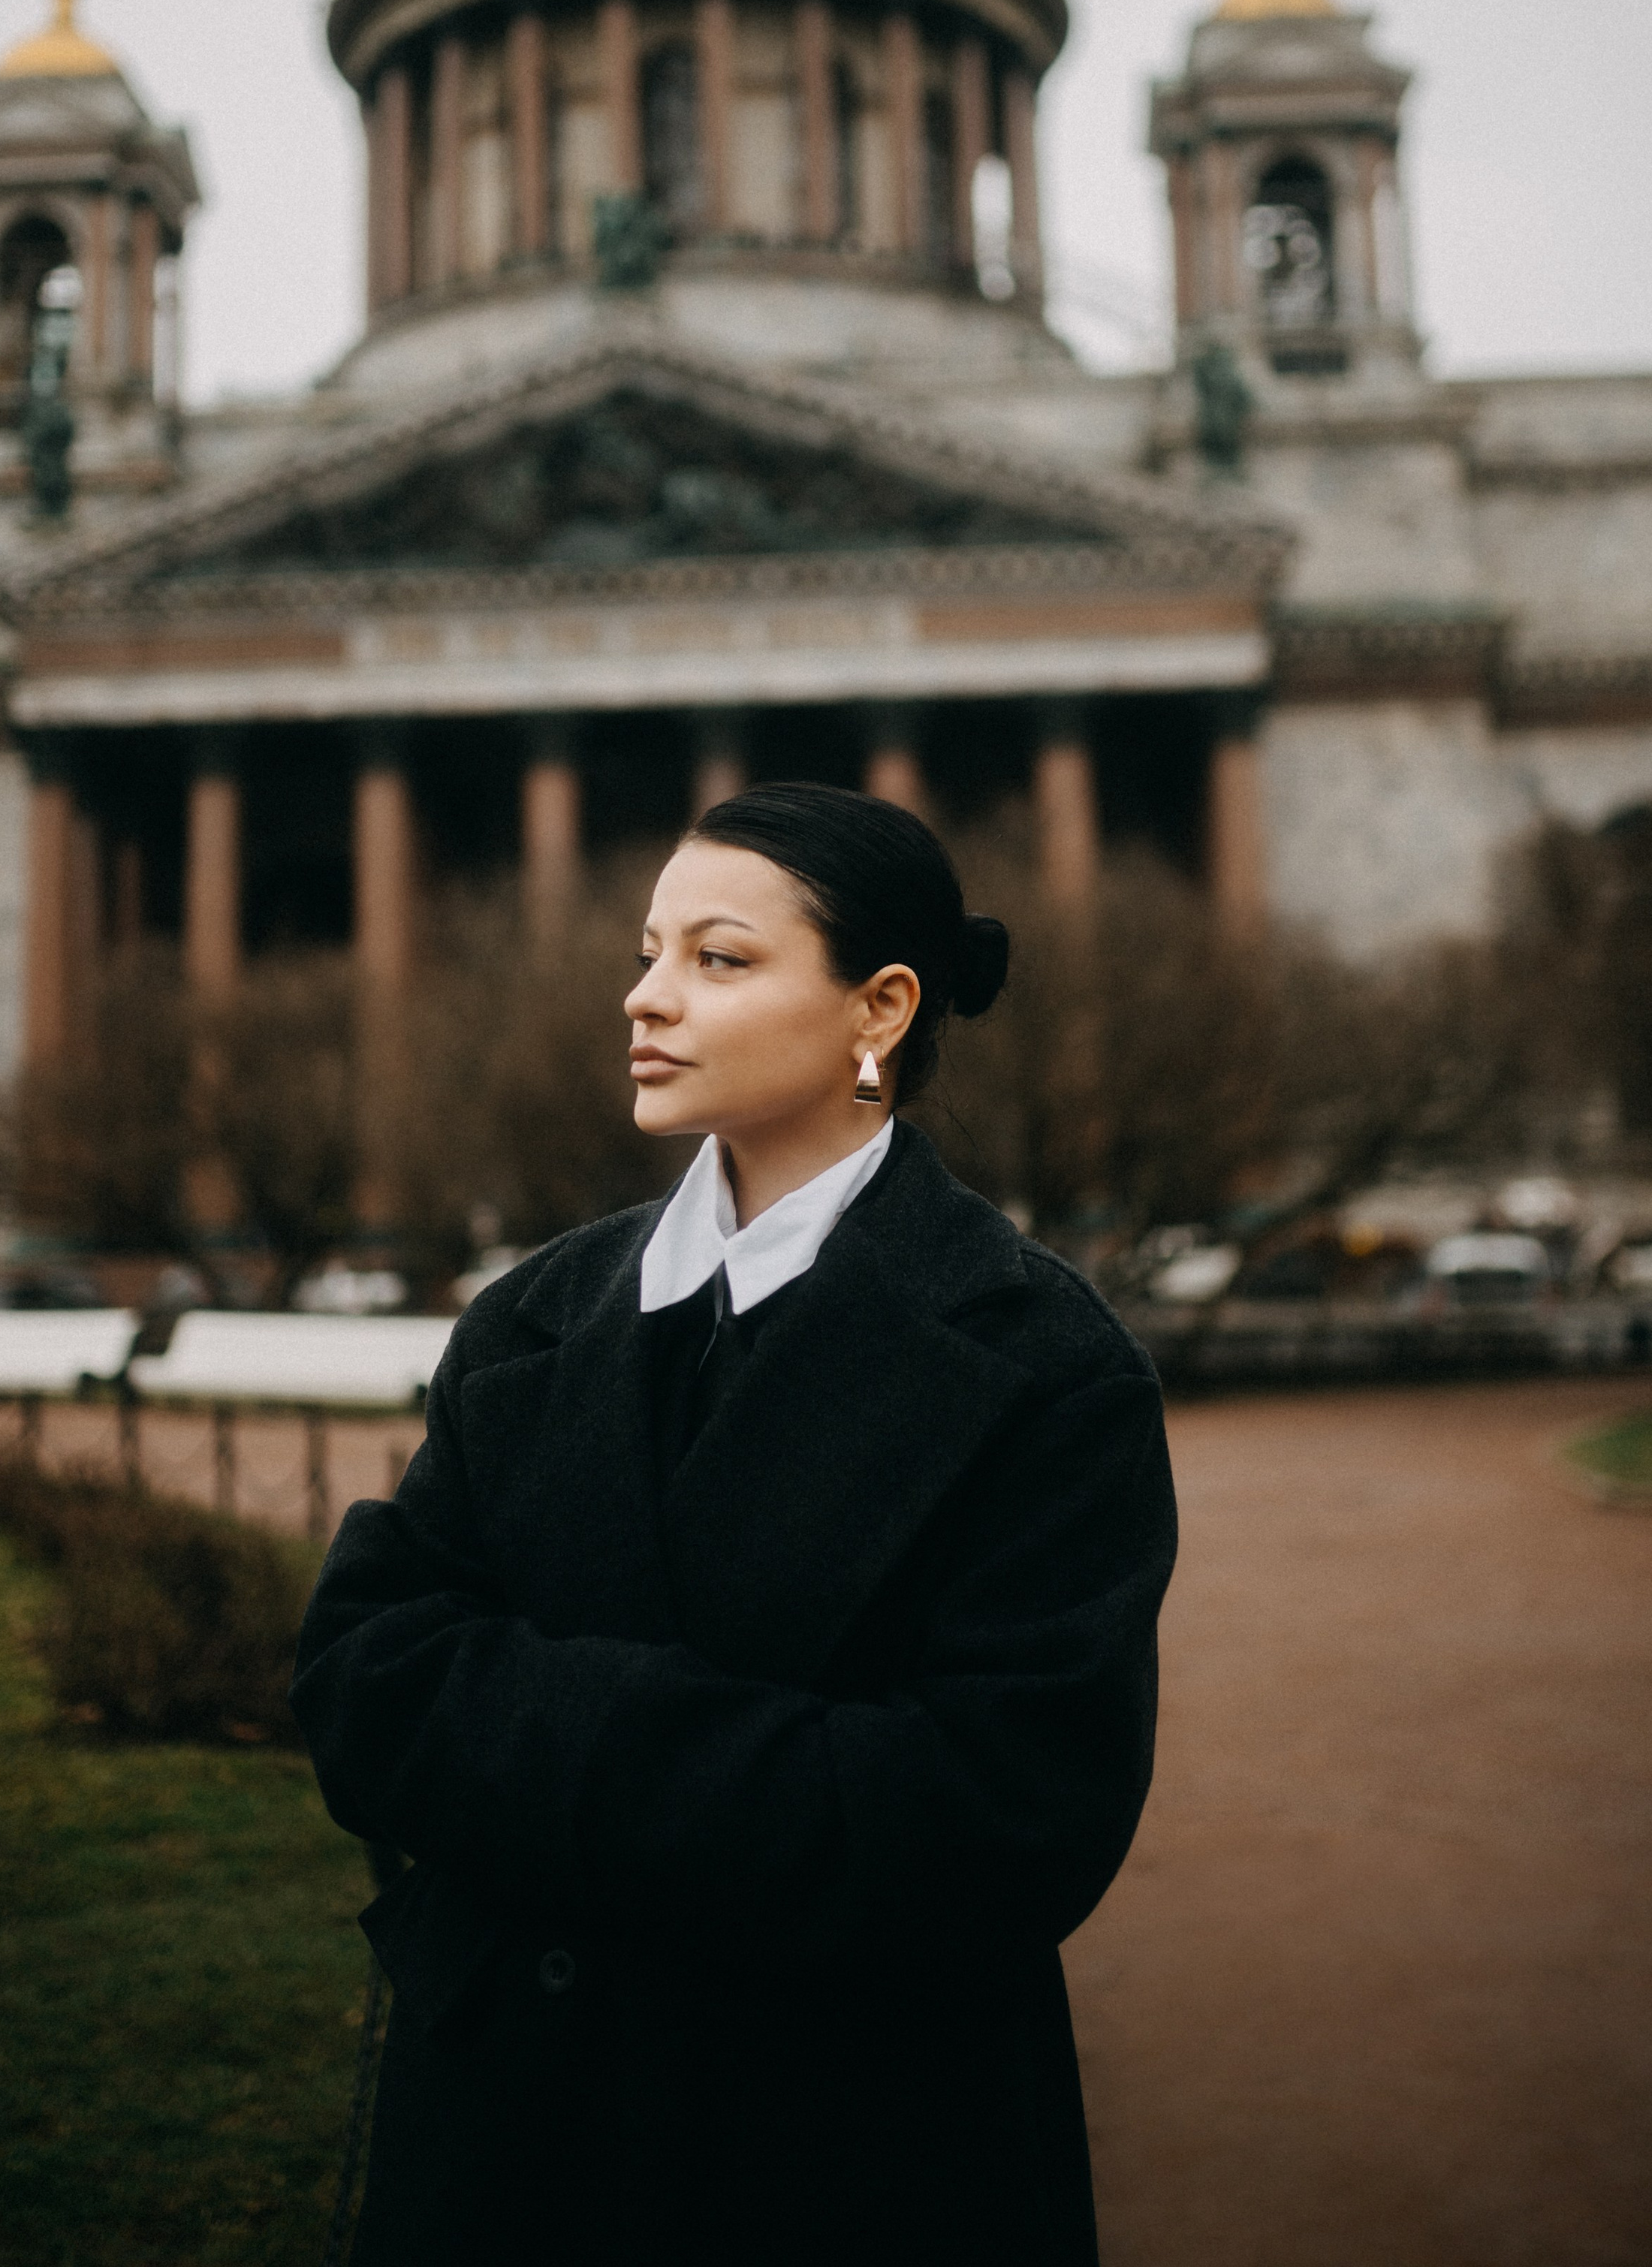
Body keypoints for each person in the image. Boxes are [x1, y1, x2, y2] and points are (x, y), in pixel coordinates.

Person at [293, 783, 1177, 2264]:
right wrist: (757, 1761)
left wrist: (531, 1723)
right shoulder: (534, 1313)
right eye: (648, 952)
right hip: (502, 2146)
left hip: (851, 2166)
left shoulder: (1041, 1364)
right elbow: (359, 1681)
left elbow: (1001, 1826)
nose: (642, 997)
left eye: (718, 958)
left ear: (876, 1009)